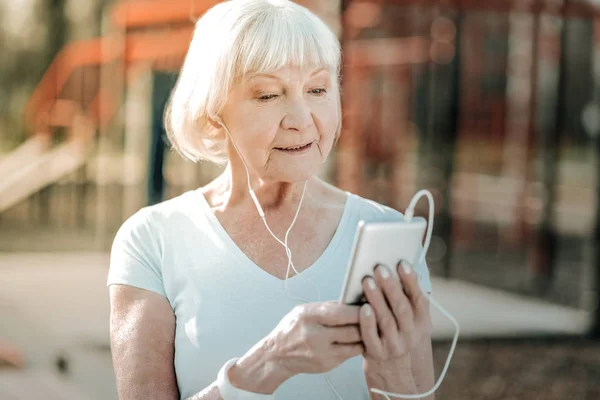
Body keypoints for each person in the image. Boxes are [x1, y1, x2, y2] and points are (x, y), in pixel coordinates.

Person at [107, 1, 435, 399]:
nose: (301, 118)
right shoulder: (152, 240)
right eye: (267, 95)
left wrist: (391, 372)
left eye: (317, 89)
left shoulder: (387, 235)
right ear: (213, 112)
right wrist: (270, 363)